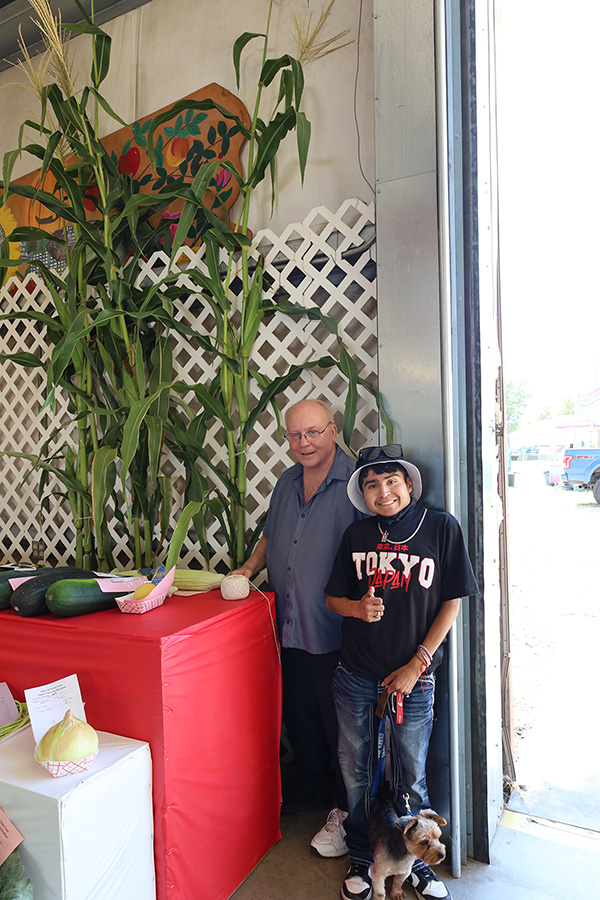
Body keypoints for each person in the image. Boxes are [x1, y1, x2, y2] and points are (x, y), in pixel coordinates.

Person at [325, 445, 478, 900]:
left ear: (409, 484)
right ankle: (361, 853)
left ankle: (416, 863)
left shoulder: (441, 527)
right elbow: (332, 598)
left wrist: (417, 663)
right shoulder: (357, 534)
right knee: (356, 772)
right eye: (372, 484)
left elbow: (452, 602)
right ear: (363, 494)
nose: (383, 492)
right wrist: (356, 608)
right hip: (355, 674)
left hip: (414, 677)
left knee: (411, 775)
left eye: (392, 481)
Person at [232, 398, 363, 857]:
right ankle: (311, 789)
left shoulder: (356, 484)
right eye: (295, 435)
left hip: (335, 630)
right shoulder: (287, 482)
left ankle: (347, 810)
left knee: (339, 725)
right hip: (289, 624)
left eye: (313, 432)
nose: (304, 443)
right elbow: (271, 536)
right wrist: (248, 568)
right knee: (301, 715)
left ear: (333, 431)